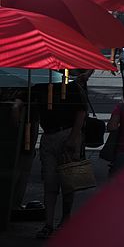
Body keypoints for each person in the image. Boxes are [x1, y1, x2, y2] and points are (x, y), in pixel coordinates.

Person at [34, 72, 87, 239]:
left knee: (68, 182)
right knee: (50, 182)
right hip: (49, 136)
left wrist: (73, 137)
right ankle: (49, 224)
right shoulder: (39, 86)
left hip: (66, 133)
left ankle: (65, 220)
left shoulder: (70, 86)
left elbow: (81, 112)